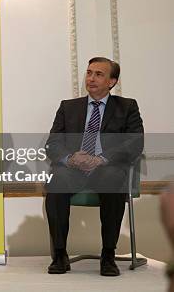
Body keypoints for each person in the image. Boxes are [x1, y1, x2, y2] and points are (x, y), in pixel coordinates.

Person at [45, 57, 144, 276]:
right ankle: (60, 254)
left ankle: (108, 255)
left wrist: (101, 159)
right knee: (56, 181)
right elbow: (52, 144)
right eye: (89, 73)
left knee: (112, 180)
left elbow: (135, 142)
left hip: (106, 167)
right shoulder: (68, 107)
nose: (91, 78)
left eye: (99, 74)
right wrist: (70, 158)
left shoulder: (127, 106)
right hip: (73, 169)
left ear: (112, 81)